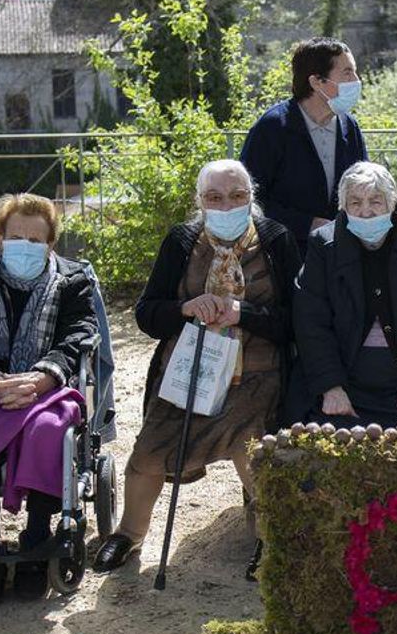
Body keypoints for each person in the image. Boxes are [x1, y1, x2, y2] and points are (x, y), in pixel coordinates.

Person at [94, 161, 301, 577]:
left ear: (251, 197)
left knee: (250, 445)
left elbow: (296, 320)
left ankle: (272, 539)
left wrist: (243, 313)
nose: (226, 205)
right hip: (190, 368)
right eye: (215, 198)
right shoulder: (181, 241)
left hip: (256, 371)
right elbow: (147, 315)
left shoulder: (276, 239)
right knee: (149, 452)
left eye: (237, 196)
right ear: (200, 201)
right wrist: (185, 308)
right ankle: (128, 534)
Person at [0, 194, 98, 606]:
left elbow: (77, 336)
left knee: (49, 428)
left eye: (35, 240)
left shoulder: (73, 281)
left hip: (46, 386)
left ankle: (36, 542)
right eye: (16, 237)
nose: (25, 246)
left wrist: (42, 379)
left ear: (51, 244)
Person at [289, 161, 397, 427]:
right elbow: (311, 321)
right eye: (355, 203)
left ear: (393, 203)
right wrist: (330, 386)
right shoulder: (324, 244)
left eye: (375, 201)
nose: (365, 212)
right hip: (344, 385)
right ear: (343, 207)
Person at [239, 37, 369, 252]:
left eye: (354, 72)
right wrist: (308, 224)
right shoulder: (272, 128)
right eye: (347, 72)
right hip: (286, 253)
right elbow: (248, 200)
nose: (356, 80)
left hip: (341, 253)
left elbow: (365, 185)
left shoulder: (349, 125)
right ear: (316, 82)